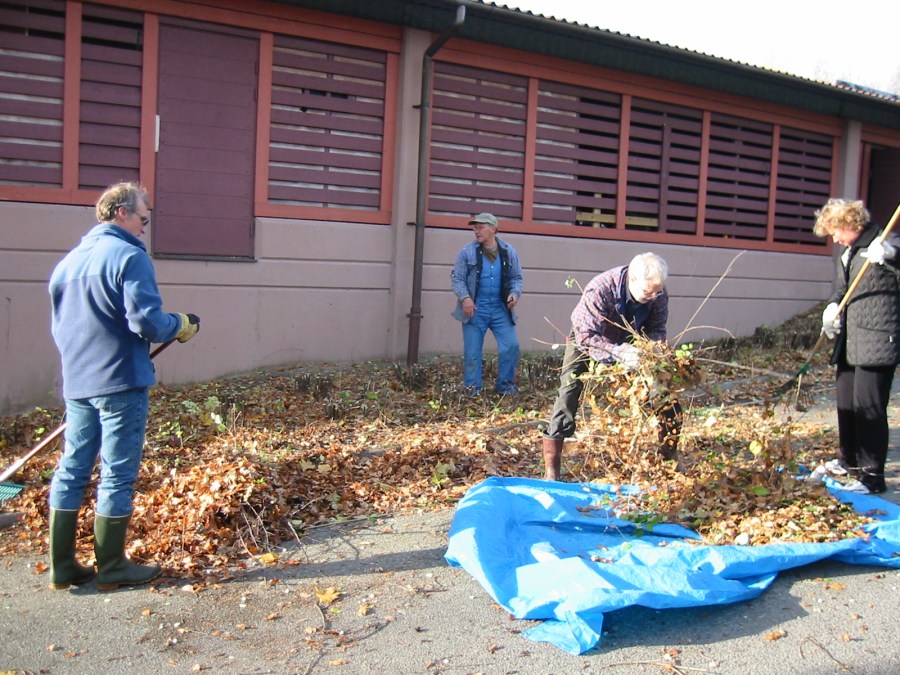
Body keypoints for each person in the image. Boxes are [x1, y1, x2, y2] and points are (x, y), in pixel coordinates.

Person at [47, 182, 200, 591]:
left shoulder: (68, 263)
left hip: (78, 382)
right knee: (117, 473)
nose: (145, 227)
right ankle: (112, 565)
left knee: (72, 468)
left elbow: (60, 328)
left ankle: (63, 566)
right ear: (121, 213)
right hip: (120, 381)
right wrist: (180, 324)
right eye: (143, 218)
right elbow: (147, 323)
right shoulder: (129, 256)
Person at [541, 252, 681, 480]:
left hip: (633, 339)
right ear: (632, 279)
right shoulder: (600, 289)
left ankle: (669, 457)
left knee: (664, 392)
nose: (653, 297)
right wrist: (619, 353)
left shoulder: (658, 292)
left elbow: (657, 329)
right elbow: (587, 337)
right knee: (569, 390)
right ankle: (552, 469)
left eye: (657, 291)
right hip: (589, 338)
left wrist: (653, 350)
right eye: (648, 292)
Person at [814, 198, 899, 494]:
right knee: (847, 405)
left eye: (835, 231)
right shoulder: (848, 252)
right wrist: (832, 307)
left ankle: (871, 476)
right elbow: (842, 289)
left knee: (869, 409)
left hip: (878, 341)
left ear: (850, 223)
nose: (834, 238)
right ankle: (848, 462)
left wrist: (890, 256)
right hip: (850, 342)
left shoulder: (885, 243)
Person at [450, 213, 523, 396]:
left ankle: (506, 387)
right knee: (472, 352)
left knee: (511, 345)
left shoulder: (508, 252)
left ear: (493, 229)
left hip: (501, 308)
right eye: (475, 228)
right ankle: (472, 390)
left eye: (481, 227)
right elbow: (457, 278)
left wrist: (514, 294)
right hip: (475, 309)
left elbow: (516, 278)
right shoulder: (467, 252)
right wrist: (465, 298)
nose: (476, 231)